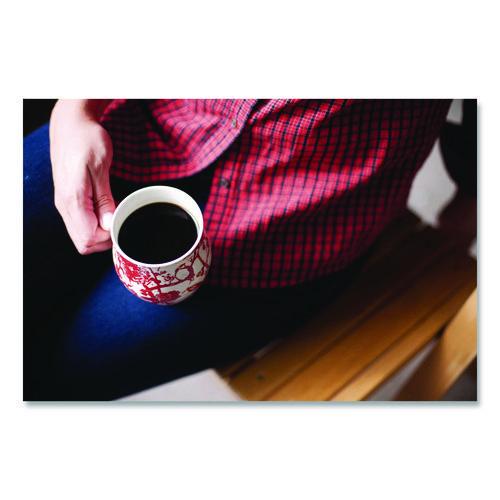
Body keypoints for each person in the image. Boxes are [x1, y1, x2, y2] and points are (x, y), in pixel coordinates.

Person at [24, 99, 468, 401]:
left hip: (295, 226)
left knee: (49, 378)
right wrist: (74, 109)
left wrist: (468, 202)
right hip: (152, 121)